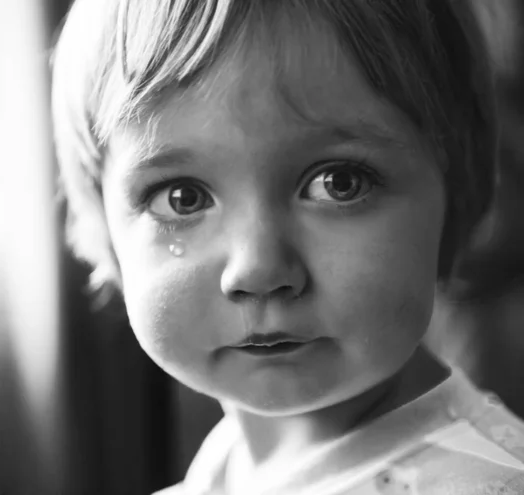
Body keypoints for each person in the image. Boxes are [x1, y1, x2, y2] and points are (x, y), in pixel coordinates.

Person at [51, 1, 524, 493]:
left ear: (458, 200)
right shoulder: (238, 454)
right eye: (182, 198)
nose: (257, 269)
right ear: (107, 235)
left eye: (339, 183)